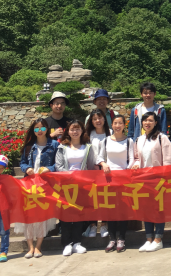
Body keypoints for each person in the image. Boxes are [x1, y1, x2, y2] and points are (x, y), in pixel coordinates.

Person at [55, 121, 97, 256]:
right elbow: (59, 166)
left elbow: (91, 166)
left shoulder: (87, 147)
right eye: (72, 129)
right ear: (68, 131)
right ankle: (67, 244)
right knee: (66, 215)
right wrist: (71, 177)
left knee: (79, 214)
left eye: (78, 129)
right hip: (66, 185)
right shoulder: (62, 147)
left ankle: (77, 242)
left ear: (82, 131)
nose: (75, 132)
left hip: (82, 186)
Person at [18, 118, 59, 258]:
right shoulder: (29, 146)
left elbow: (58, 163)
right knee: (28, 217)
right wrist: (27, 168)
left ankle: (38, 247)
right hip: (29, 185)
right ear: (33, 130)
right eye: (36, 128)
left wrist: (49, 168)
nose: (39, 131)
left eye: (42, 128)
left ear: (47, 129)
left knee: (42, 217)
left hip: (45, 185)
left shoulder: (54, 144)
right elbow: (22, 163)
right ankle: (30, 247)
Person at [133, 111, 171, 251]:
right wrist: (136, 164)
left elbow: (167, 160)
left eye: (150, 120)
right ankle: (148, 239)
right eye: (145, 120)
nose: (147, 123)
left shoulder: (162, 138)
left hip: (158, 178)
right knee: (146, 209)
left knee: (158, 209)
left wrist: (165, 178)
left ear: (156, 122)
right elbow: (137, 157)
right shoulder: (139, 139)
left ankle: (158, 239)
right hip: (143, 179)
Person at [97, 114, 136, 252]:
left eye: (120, 123)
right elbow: (99, 157)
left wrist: (126, 171)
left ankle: (121, 238)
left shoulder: (129, 141)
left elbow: (132, 158)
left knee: (123, 209)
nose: (117, 126)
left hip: (123, 179)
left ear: (124, 125)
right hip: (109, 179)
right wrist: (104, 164)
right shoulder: (106, 140)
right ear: (111, 125)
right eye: (115, 123)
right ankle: (112, 238)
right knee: (111, 210)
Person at [83, 109, 111, 238]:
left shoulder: (110, 133)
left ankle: (104, 224)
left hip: (106, 171)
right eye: (94, 119)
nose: (98, 121)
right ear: (91, 121)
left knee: (105, 198)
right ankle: (93, 225)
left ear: (104, 119)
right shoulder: (87, 134)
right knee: (92, 199)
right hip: (91, 171)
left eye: (100, 118)